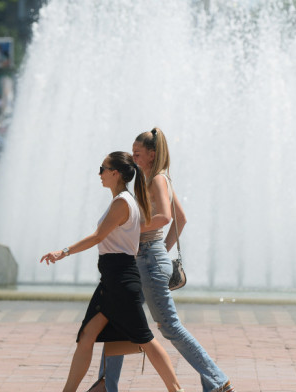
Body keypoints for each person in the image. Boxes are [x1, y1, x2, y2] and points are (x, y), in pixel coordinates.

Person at [98, 128, 235, 392]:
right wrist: (161, 250)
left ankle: (218, 382)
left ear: (151, 154)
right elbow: (181, 218)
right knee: (116, 321)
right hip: (146, 258)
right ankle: (106, 385)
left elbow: (166, 217)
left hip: (147, 260)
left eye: (137, 154)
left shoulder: (157, 179)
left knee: (169, 327)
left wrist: (130, 230)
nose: (133, 159)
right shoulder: (154, 177)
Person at [40, 151, 184, 392]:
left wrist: (62, 252)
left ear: (115, 173)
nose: (99, 174)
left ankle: (176, 389)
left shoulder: (122, 203)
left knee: (145, 339)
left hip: (120, 280)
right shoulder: (125, 200)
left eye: (103, 169)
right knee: (87, 336)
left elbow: (98, 237)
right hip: (112, 278)